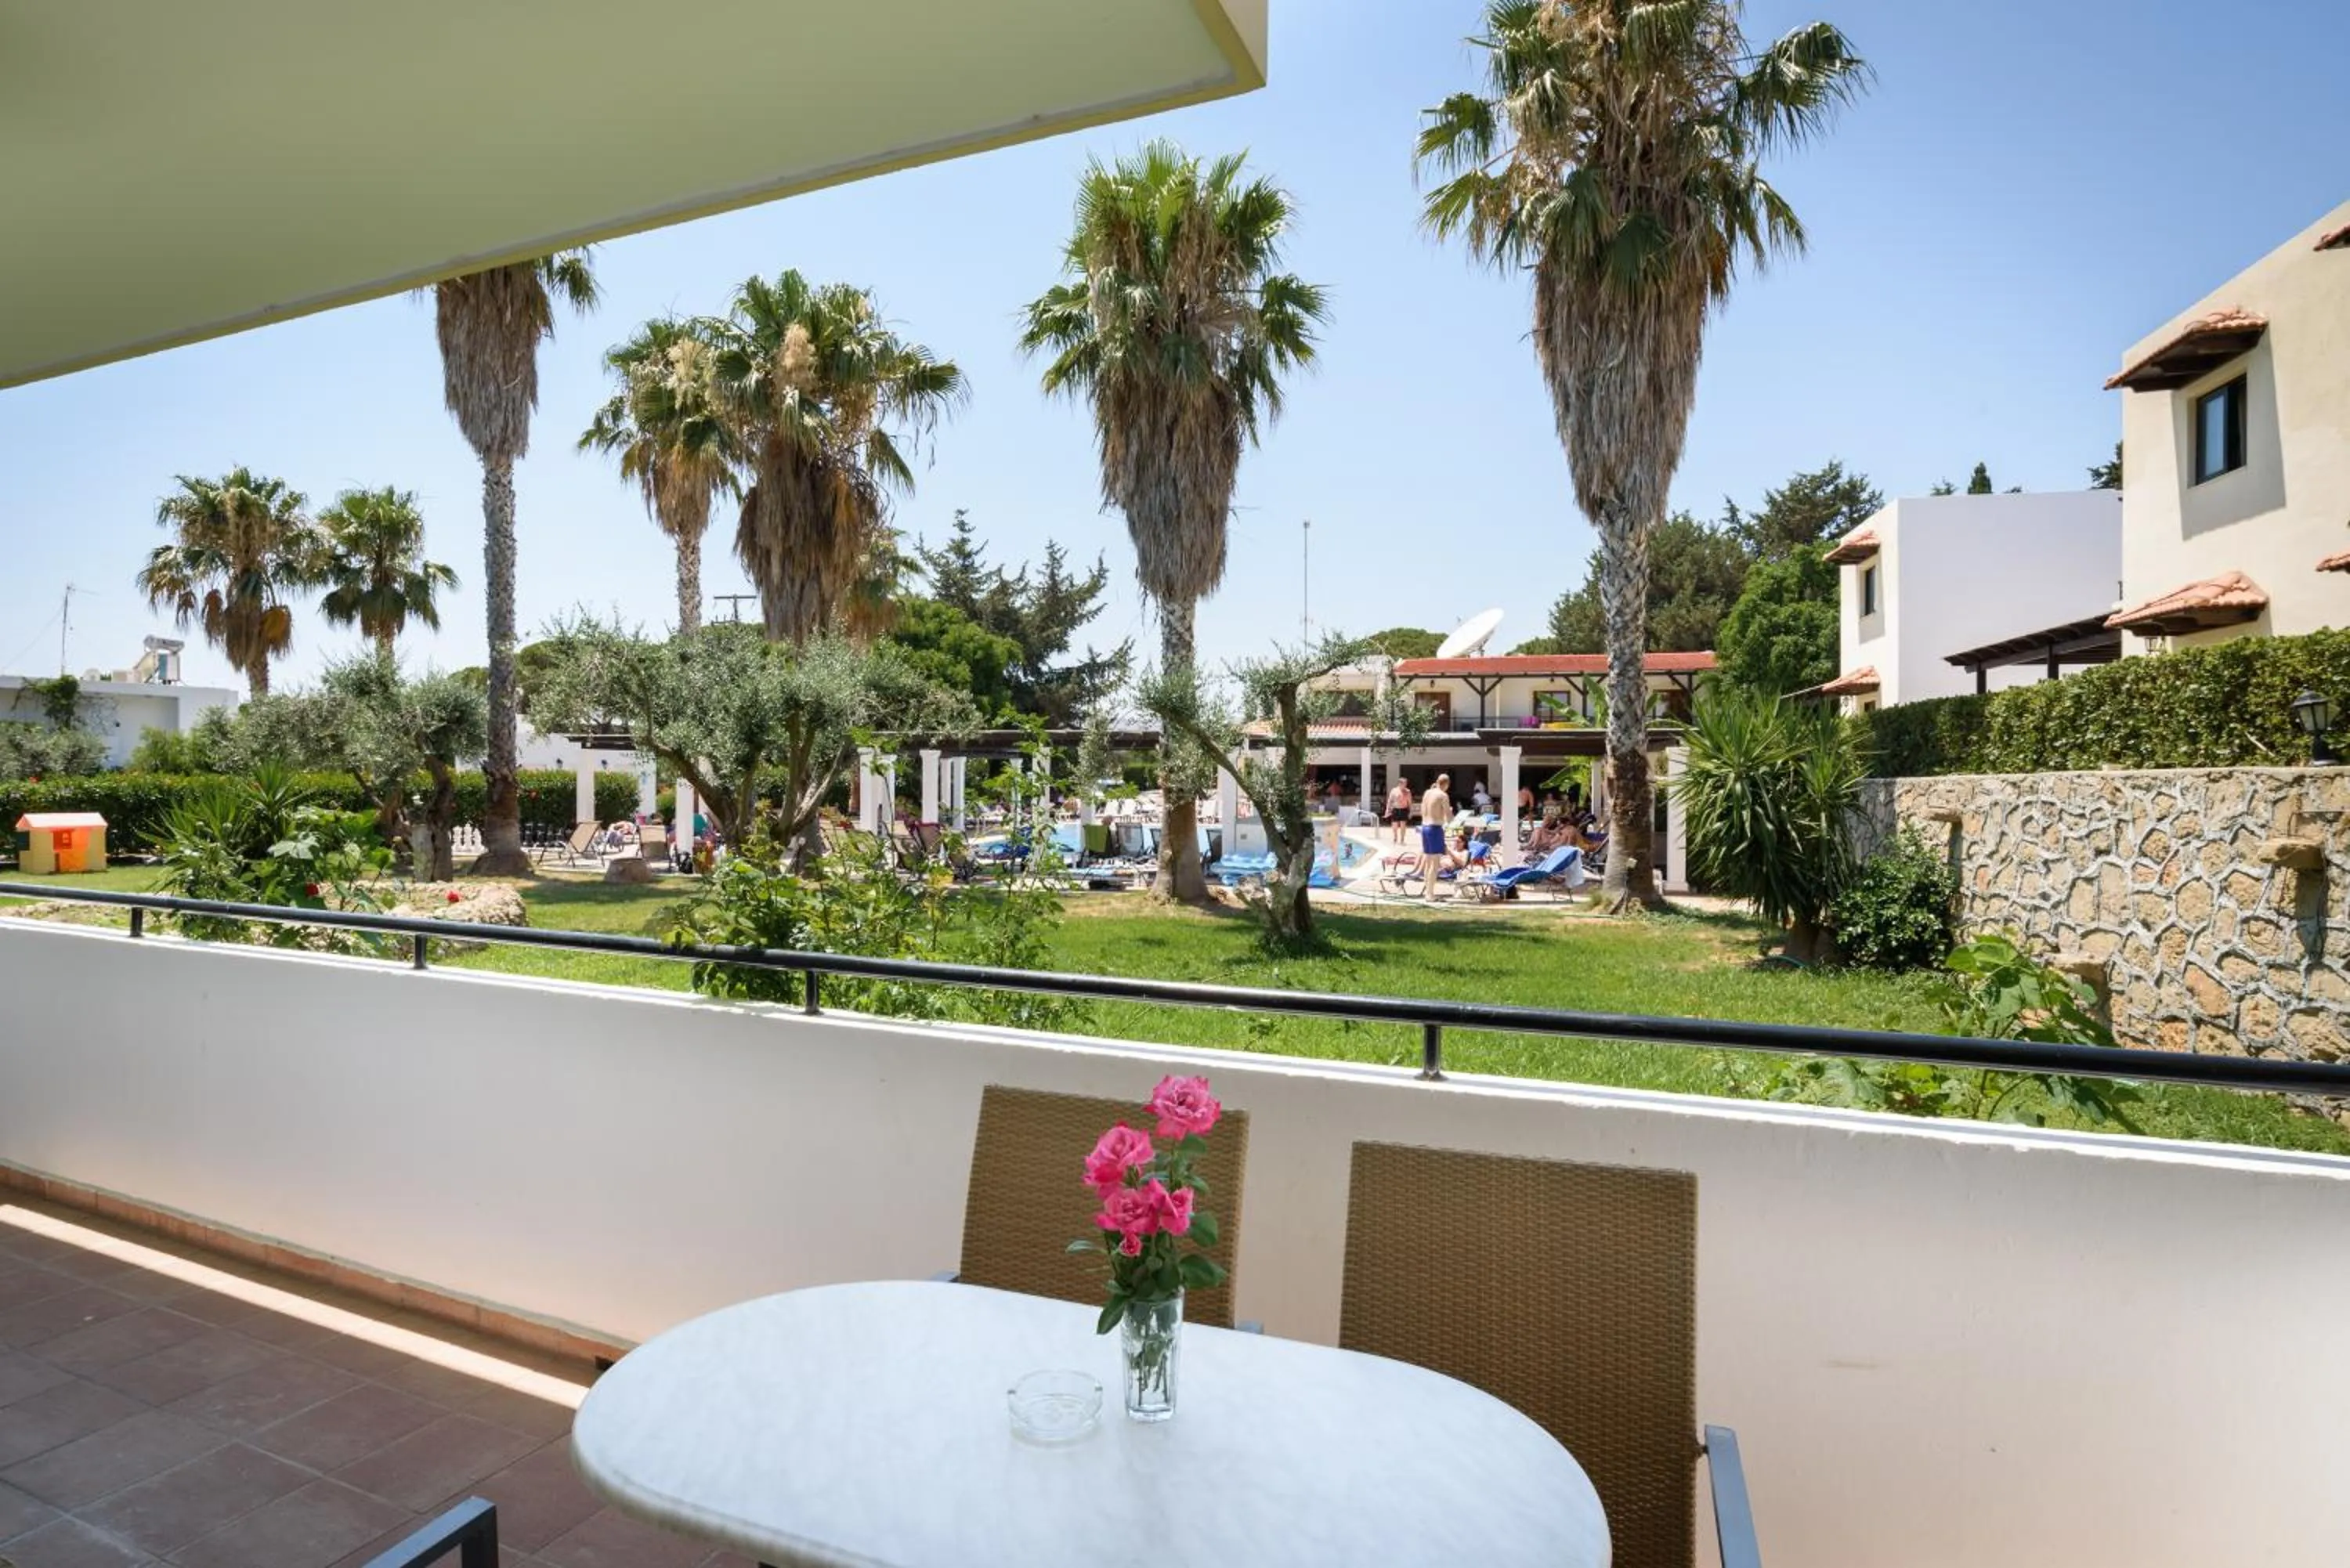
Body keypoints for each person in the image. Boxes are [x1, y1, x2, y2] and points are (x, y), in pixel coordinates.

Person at [1418, 772, 1453, 900]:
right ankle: (1430, 894)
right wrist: (1450, 813)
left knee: (1428, 862)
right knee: (1435, 863)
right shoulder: (1443, 795)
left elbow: (1424, 810)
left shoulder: (1427, 793)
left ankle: (1428, 892)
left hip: (1424, 827)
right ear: (1447, 784)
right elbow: (1449, 818)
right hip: (1435, 828)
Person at [1385, 778, 1415, 845]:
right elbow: (1390, 801)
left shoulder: (1408, 792)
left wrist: (1411, 811)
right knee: (1394, 825)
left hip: (1404, 809)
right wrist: (1387, 809)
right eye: (1404, 783)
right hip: (1396, 809)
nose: (1406, 785)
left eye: (1406, 783)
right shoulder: (1394, 790)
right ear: (1400, 784)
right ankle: (1395, 837)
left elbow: (1410, 803)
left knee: (1403, 825)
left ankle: (1402, 839)